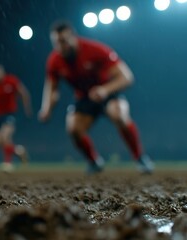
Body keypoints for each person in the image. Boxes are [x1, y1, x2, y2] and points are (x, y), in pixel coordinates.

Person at [38, 21, 154, 174]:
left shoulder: (96, 50)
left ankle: (140, 158)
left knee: (119, 114)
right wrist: (46, 108)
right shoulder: (54, 60)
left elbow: (127, 77)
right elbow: (51, 87)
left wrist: (104, 90)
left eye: (64, 42)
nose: (61, 47)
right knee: (73, 129)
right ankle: (94, 162)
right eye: (56, 43)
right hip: (84, 98)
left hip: (108, 92)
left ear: (74, 38)